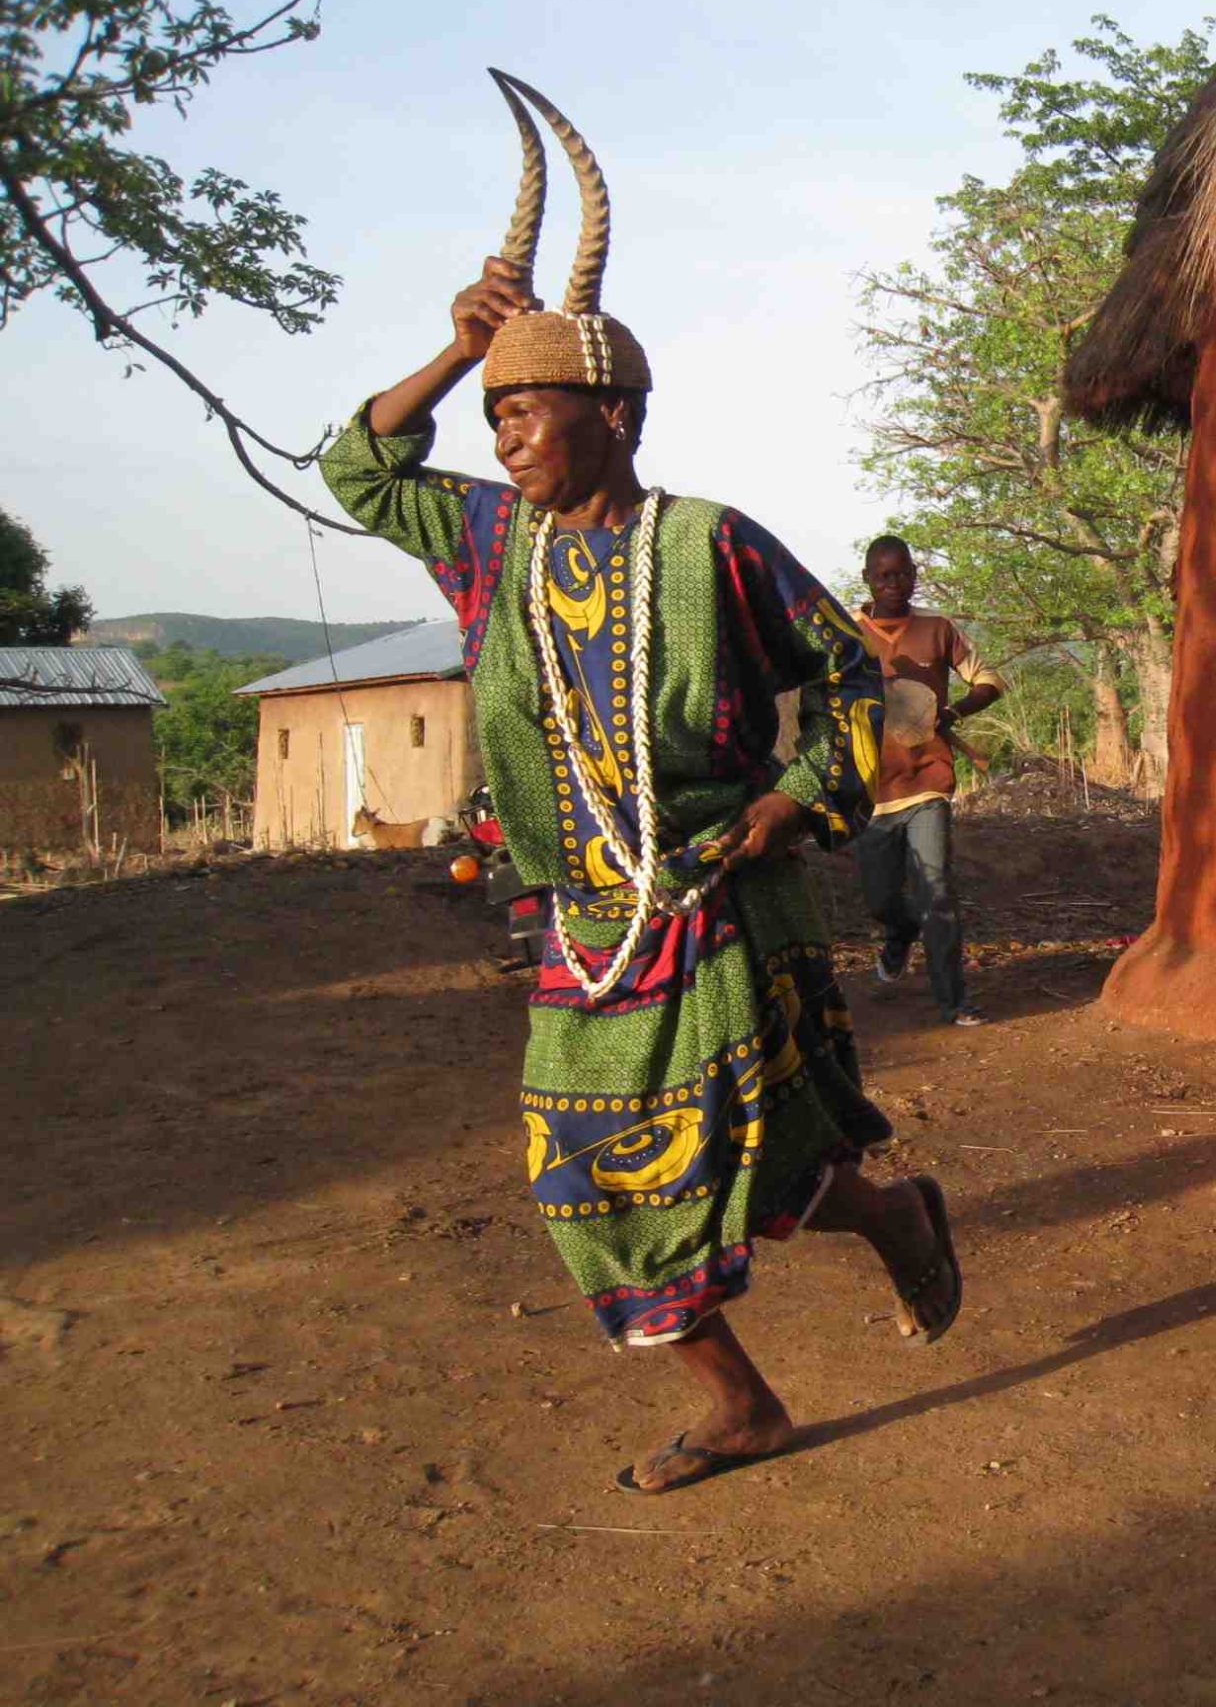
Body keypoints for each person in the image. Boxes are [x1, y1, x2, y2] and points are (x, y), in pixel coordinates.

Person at [322, 73, 961, 1494]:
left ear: (613, 413)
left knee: (777, 1146)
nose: (505, 445)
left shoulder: (717, 546)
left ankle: (901, 1221)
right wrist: (452, 356)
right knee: (585, 1171)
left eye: (527, 417)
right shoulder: (492, 544)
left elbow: (876, 688)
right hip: (580, 923)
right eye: (494, 427)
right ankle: (740, 1399)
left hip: (724, 899)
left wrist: (796, 798)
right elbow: (358, 469)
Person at [851, 535, 1005, 1026]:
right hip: (871, 793)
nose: (895, 584)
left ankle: (954, 999)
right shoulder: (846, 635)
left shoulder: (938, 630)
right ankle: (897, 936)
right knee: (881, 899)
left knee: (936, 892)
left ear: (914, 574)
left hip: (927, 784)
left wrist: (953, 711)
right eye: (884, 576)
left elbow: (990, 681)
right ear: (867, 580)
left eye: (903, 574)